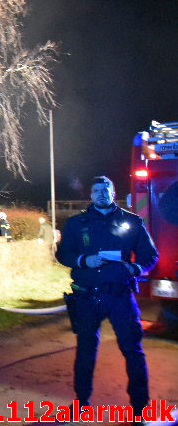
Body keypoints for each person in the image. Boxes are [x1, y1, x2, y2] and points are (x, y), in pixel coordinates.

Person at [56, 176, 158, 421]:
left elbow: (150, 255)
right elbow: (63, 254)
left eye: (106, 189)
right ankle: (81, 404)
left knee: (133, 351)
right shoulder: (76, 224)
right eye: (96, 190)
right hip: (87, 298)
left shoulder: (132, 222)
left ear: (113, 193)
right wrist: (83, 261)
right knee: (85, 352)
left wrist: (135, 269)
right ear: (91, 195)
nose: (101, 193)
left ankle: (140, 410)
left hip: (120, 296)